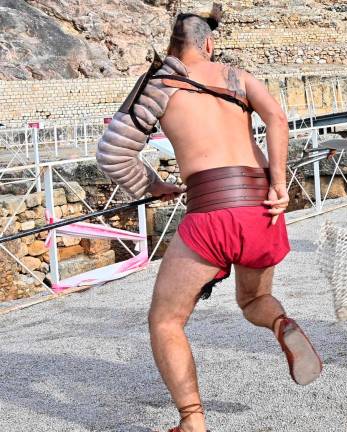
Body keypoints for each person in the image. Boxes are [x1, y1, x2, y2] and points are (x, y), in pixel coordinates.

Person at [96, 8, 322, 431]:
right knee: (254, 300)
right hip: (261, 209)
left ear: (171, 46)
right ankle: (281, 323)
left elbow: (112, 154)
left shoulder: (158, 83)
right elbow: (276, 117)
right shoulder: (236, 76)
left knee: (166, 319)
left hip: (212, 212)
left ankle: (192, 420)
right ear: (209, 44)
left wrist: (152, 185)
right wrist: (278, 183)